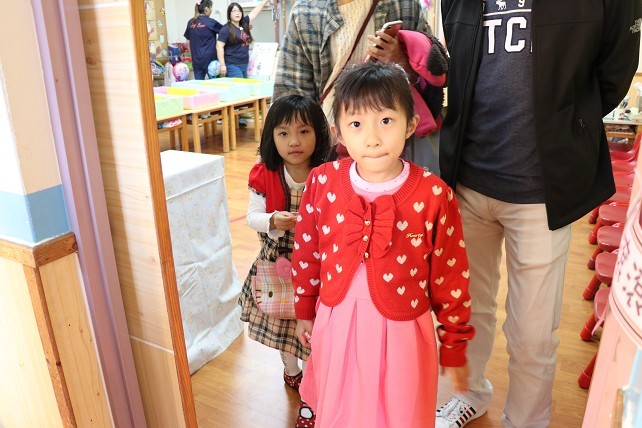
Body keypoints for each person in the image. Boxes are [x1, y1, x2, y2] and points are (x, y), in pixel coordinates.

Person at [435, 2, 641, 428]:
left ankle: (525, 420)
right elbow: (458, 53)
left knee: (532, 333)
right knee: (466, 308)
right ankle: (469, 393)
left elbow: (616, 66)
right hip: (467, 177)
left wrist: (571, 121)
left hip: (542, 189)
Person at [292, 62, 475, 428]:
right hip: (337, 325)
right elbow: (307, 251)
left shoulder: (434, 194)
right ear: (337, 130)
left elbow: (450, 276)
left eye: (386, 121)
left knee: (399, 415)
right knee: (342, 413)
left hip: (403, 334)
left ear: (411, 124)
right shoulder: (322, 182)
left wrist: (454, 344)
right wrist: (304, 310)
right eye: (356, 124)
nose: (372, 138)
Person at [239, 95, 331, 421]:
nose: (294, 141)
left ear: (319, 133)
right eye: (283, 133)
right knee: (283, 326)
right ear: (271, 137)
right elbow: (251, 216)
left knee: (312, 328)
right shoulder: (264, 174)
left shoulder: (326, 173)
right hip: (277, 268)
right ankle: (292, 372)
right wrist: (273, 219)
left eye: (304, 131)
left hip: (316, 268)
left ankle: (312, 381)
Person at [273, 0, 446, 172]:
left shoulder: (403, 5)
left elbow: (434, 72)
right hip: (328, 140)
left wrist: (401, 60)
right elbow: (291, 90)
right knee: (336, 186)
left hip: (393, 142)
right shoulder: (306, 12)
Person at [216, 0, 270, 78]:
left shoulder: (244, 23)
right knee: (239, 85)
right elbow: (219, 47)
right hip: (232, 65)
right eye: (234, 11)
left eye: (239, 11)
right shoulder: (225, 29)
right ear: (229, 14)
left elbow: (255, 12)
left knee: (244, 85)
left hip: (245, 63)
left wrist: (266, 1)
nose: (237, 13)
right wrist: (222, 65)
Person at [183, 0, 222, 80]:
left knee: (199, 85)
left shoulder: (191, 22)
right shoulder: (211, 22)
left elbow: (187, 42)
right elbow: (225, 32)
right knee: (214, 84)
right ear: (206, 9)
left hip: (196, 61)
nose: (211, 10)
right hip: (211, 62)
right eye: (211, 8)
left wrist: (192, 57)